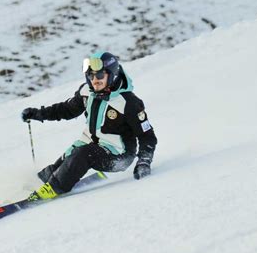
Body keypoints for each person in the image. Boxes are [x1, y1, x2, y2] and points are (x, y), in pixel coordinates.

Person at [21, 51, 157, 201]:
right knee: (56, 168)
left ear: (112, 75)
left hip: (119, 155)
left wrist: (144, 161)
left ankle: (52, 189)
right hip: (87, 144)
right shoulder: (87, 92)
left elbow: (147, 137)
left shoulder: (128, 102)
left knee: (83, 154)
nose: (95, 80)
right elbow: (66, 110)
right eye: (91, 76)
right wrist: (39, 114)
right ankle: (29, 189)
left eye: (99, 76)